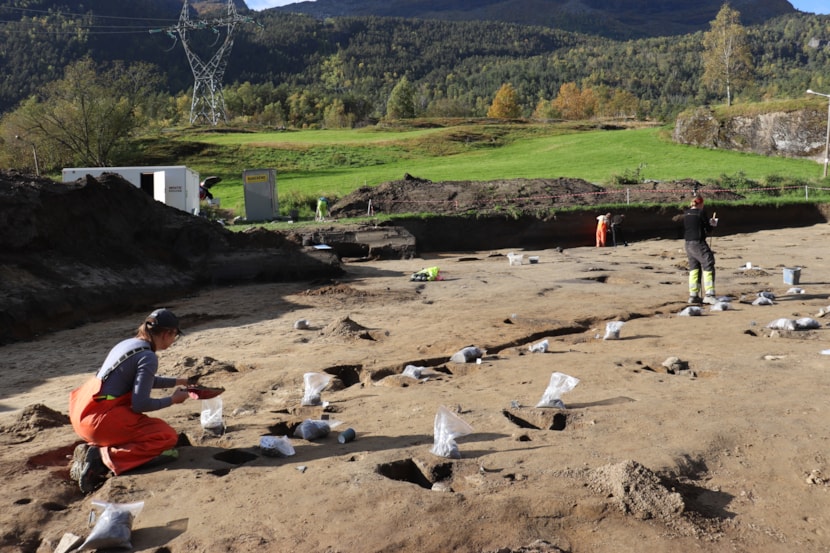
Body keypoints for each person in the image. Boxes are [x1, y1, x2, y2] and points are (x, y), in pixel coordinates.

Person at [69, 308, 191, 493]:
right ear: (168, 333)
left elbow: (142, 380)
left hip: (82, 412)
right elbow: (140, 404)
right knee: (165, 436)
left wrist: (179, 381)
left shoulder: (127, 344)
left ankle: (97, 447)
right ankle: (104, 458)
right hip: (99, 421)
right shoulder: (148, 357)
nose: (174, 341)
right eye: (175, 336)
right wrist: (173, 400)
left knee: (148, 428)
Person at [684, 195, 718, 304]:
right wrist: (713, 224)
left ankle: (693, 295)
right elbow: (708, 229)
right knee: (708, 263)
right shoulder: (701, 213)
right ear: (701, 203)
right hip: (698, 242)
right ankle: (709, 294)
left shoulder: (686, 213)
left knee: (694, 268)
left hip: (688, 243)